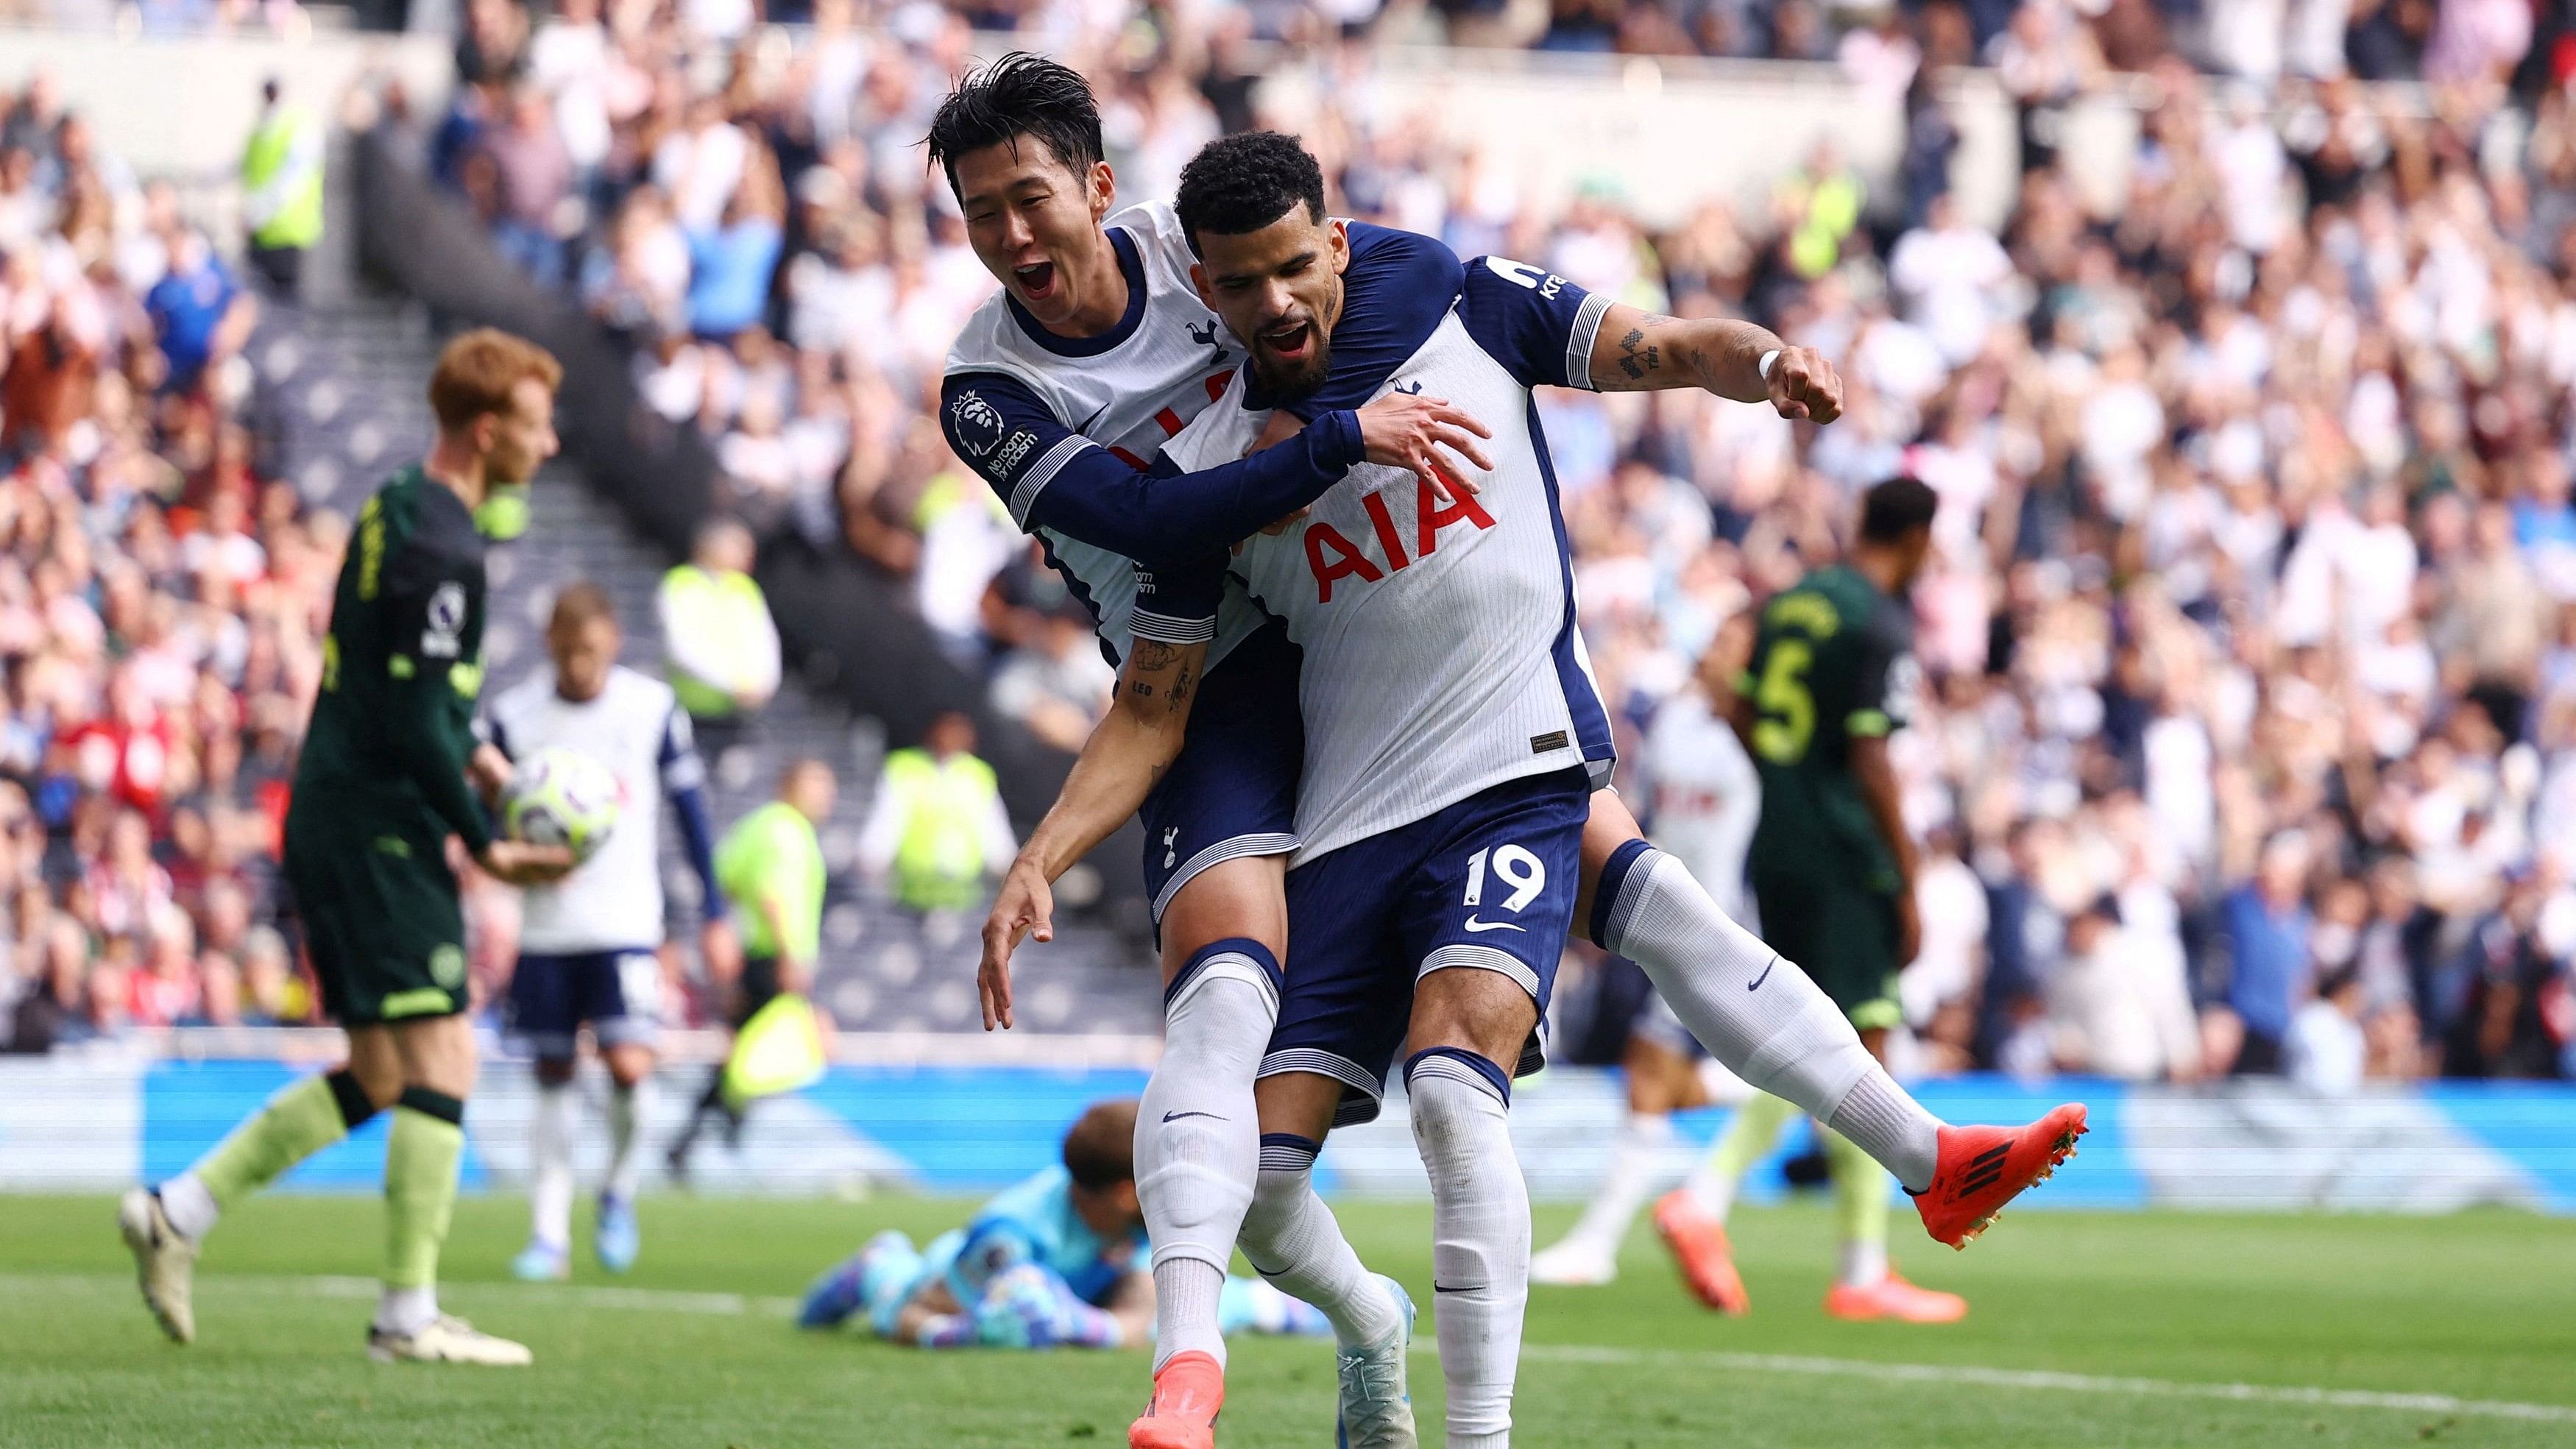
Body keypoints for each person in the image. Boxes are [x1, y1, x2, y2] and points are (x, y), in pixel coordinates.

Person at [981, 132, 2080, 1449]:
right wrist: (1044, 847)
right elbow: (1155, 699)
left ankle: (1485, 1432)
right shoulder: (1219, 478)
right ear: (1205, 294)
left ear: (1337, 246)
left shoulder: (1463, 304)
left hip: (1512, 763)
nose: (1276, 302)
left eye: (1294, 267)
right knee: (1266, 1188)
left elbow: (1670, 346)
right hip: (1344, 820)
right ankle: (1385, 1318)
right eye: (1243, 283)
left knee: (1460, 1082)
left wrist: (1769, 365)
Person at [929, 55, 1485, 1449]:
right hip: (1202, 680)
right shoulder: (986, 388)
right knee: (1220, 1009)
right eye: (978, 210)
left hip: (1365, 620)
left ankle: (1912, 1148)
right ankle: (1201, 1368)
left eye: (1029, 198)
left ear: (1099, 190)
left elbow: (1409, 279)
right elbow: (1154, 524)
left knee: (1607, 862)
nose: (1009, 236)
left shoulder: (1207, 251)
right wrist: (1337, 437)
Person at [119, 329, 575, 1365]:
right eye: (541, 429)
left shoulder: (395, 505)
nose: (549, 450)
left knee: (380, 1069)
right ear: (493, 428)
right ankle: (406, 1315)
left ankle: (177, 1213)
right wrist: (484, 844)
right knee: (443, 1051)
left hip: (341, 805)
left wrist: (492, 770)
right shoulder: (444, 545)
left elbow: (405, 694)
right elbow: (415, 725)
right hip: (377, 825)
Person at [1650, 477, 1974, 1325]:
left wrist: (1785, 791)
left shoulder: (1792, 604)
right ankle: (1711, 1196)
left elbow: (1741, 711)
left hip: (1779, 842)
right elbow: (1870, 758)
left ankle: (1858, 1262)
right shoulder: (1877, 619)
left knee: (1835, 1041)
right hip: (1842, 853)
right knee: (1850, 1046)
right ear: (1917, 537)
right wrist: (1905, 877)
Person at [484, 581, 732, 1280]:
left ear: (614, 642)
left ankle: (618, 1191)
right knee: (553, 1072)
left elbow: (690, 813)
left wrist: (713, 910)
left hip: (627, 920)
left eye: (590, 649)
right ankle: (548, 1234)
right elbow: (483, 815)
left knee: (630, 1064)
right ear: (548, 645)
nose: (579, 663)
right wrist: (513, 861)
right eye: (567, 649)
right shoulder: (514, 716)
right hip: (546, 928)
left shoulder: (650, 709)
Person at [1531, 611, 1762, 1287]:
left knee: (1645, 1071)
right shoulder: (1674, 722)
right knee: (1655, 1077)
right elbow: (1649, 817)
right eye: (1715, 635)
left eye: (1733, 641)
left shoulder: (1763, 735)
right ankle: (1775, 1098)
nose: (1715, 648)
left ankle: (1597, 1243)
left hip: (1727, 924)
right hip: (1662, 911)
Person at [795, 1099, 1328, 1351]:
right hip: (955, 1280)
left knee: (1208, 1303)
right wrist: (957, 1334)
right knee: (899, 1295)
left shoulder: (1136, 1216)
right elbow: (916, 1311)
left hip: (1079, 1291)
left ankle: (1323, 1305)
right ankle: (878, 1264)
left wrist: (1081, 1324)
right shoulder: (1010, 1235)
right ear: (1125, 1191)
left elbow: (1144, 1309)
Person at [665, 757, 832, 1178]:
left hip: (762, 956)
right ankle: (720, 1138)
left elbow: (724, 877)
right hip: (775, 959)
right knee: (760, 1055)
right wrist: (787, 955)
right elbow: (772, 895)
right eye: (817, 784)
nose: (826, 795)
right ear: (791, 786)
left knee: (741, 1055)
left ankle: (700, 1141)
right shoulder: (786, 832)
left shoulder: (761, 826)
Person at [854, 710, 1016, 915]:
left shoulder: (978, 774)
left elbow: (993, 828)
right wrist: (873, 858)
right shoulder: (905, 767)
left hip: (964, 892)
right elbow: (887, 820)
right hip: (911, 888)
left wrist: (1006, 867)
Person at [654, 516, 781, 764]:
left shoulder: (745, 588)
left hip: (736, 713)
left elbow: (765, 643)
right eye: (740, 546)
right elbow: (683, 648)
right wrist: (734, 684)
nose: (749, 554)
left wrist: (763, 684)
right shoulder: (681, 583)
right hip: (691, 710)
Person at [239, 78, 323, 299]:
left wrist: (256, 214)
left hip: (286, 228)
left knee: (284, 300)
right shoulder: (262, 129)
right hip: (262, 230)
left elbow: (292, 180)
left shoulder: (297, 126)